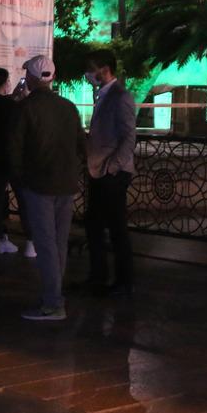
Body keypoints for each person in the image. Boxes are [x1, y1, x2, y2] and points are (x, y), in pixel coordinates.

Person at [8, 55, 86, 321]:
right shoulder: (68, 107)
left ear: (30, 77)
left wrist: (17, 178)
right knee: (59, 243)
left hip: (38, 184)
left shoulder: (25, 108)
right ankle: (54, 296)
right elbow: (81, 144)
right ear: (52, 78)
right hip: (66, 183)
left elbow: (15, 149)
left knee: (46, 244)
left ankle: (53, 303)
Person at [79, 49, 138, 297]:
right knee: (94, 226)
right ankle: (98, 277)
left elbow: (129, 136)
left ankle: (123, 283)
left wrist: (113, 167)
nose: (88, 74)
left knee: (116, 229)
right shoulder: (103, 95)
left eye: (91, 69)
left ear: (104, 69)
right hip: (99, 171)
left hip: (111, 173)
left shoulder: (120, 96)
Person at [0, 67, 35, 258]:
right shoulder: (13, 105)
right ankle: (30, 242)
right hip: (13, 156)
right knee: (23, 199)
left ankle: (0, 238)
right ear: (5, 83)